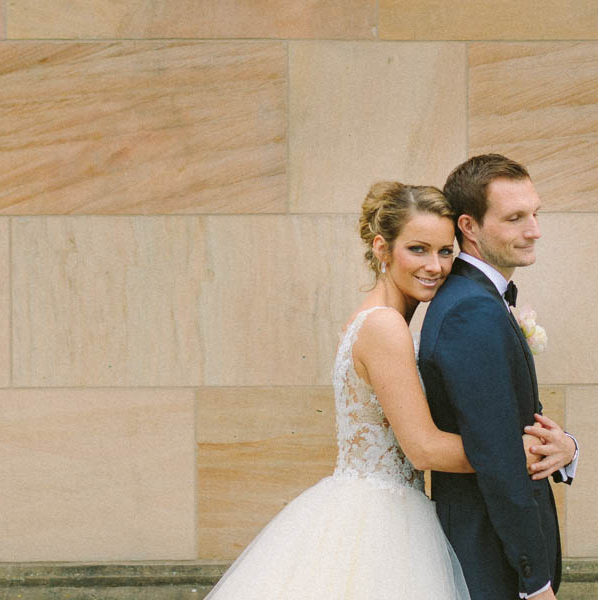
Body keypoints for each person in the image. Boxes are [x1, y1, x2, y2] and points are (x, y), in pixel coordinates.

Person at [205, 181, 564, 599]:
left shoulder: (378, 319)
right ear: (381, 249)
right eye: (418, 249)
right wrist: (512, 454)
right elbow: (424, 449)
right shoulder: (385, 326)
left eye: (445, 251)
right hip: (382, 522)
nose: (435, 266)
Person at [418, 154, 578, 600]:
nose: (535, 230)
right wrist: (535, 582)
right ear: (469, 226)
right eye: (515, 218)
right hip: (492, 563)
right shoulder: (471, 311)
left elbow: (517, 427)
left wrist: (567, 447)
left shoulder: (480, 299)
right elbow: (497, 459)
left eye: (535, 213)